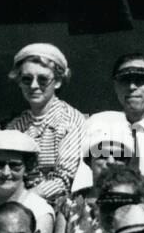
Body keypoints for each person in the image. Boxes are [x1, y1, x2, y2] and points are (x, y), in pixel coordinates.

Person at [73, 53, 144, 192]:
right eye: (124, 80)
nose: (132, 86)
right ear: (115, 86)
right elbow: (83, 182)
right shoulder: (99, 124)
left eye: (141, 80)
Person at [48, 117, 135, 233]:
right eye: (102, 155)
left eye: (119, 157)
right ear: (90, 161)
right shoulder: (70, 202)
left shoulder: (135, 202)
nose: (111, 161)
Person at [5, 42, 85, 203]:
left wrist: (19, 201)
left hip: (56, 205)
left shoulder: (70, 121)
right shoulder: (15, 126)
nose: (33, 86)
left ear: (58, 81)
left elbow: (63, 181)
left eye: (42, 79)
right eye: (27, 79)